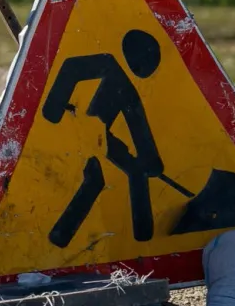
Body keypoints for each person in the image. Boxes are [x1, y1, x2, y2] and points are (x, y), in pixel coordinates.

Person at [42, 29, 164, 247]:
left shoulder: (129, 90)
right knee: (101, 178)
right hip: (81, 125)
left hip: (102, 137)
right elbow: (71, 68)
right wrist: (54, 110)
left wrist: (152, 162)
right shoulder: (108, 64)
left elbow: (139, 130)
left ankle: (143, 237)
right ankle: (61, 235)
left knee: (130, 172)